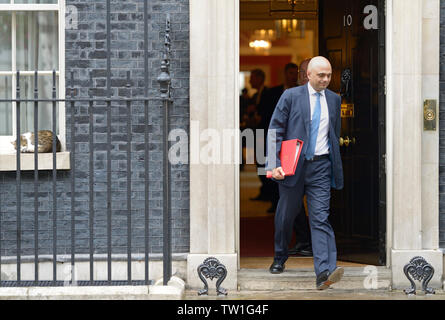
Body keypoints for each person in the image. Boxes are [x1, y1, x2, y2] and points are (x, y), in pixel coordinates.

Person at [266, 56, 344, 290]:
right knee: (286, 215)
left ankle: (324, 272)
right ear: (308, 75)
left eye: (329, 75)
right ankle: (280, 257)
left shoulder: (334, 99)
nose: (326, 79)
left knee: (320, 218)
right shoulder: (291, 96)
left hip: (320, 166)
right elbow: (275, 129)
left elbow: (334, 133)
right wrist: (274, 163)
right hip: (292, 166)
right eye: (321, 75)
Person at [262, 63, 299, 213]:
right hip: (274, 138)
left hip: (294, 143)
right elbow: (266, 116)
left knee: (292, 182)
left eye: (295, 73)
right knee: (273, 171)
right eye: (290, 73)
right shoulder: (272, 92)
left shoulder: (301, 93)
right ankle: (274, 202)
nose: (293, 76)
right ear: (285, 74)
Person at [288, 58, 313, 257]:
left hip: (317, 160)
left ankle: (314, 245)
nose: (303, 76)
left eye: (306, 72)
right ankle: (303, 241)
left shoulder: (327, 97)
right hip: (292, 155)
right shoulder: (290, 95)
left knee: (318, 206)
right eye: (301, 72)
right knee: (292, 204)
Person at [248, 69, 271, 201]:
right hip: (257, 134)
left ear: (260, 78)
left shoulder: (268, 93)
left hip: (266, 134)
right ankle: (264, 190)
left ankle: (267, 191)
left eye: (252, 77)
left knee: (265, 164)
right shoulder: (256, 95)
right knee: (259, 164)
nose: (250, 80)